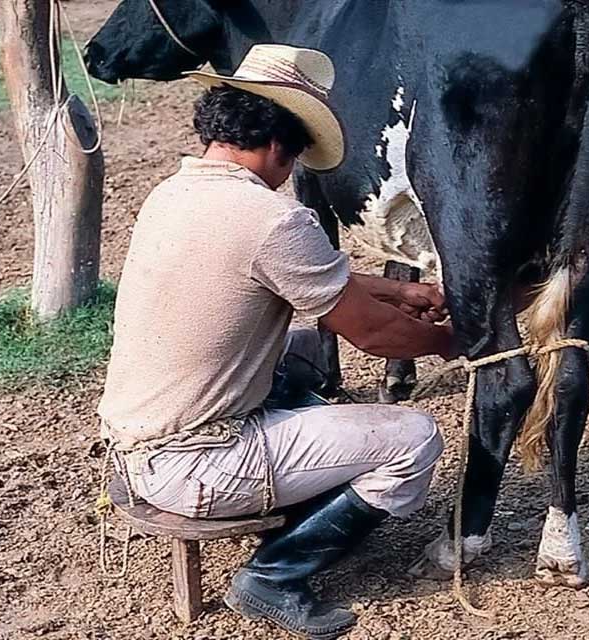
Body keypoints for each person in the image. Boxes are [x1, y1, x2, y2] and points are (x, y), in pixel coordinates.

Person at [97, 45, 455, 639]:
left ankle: (296, 494)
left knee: (305, 352)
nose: (290, 174)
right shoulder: (272, 219)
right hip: (197, 465)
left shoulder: (173, 193)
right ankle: (274, 575)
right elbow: (374, 335)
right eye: (293, 160)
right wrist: (451, 339)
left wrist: (396, 292)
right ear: (275, 147)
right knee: (413, 440)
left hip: (135, 440)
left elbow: (281, 272)